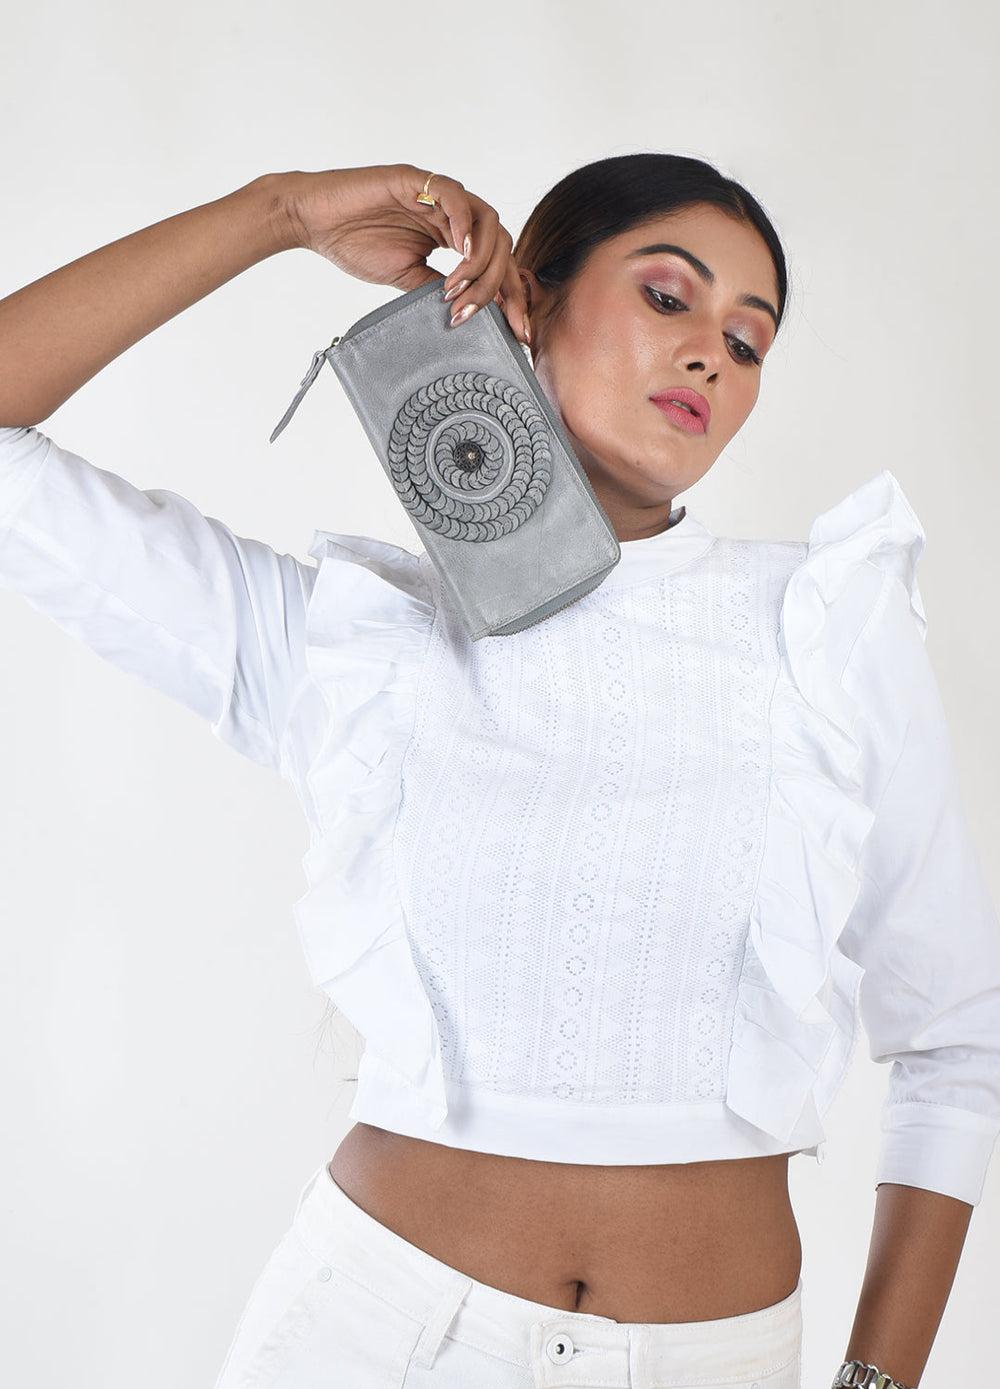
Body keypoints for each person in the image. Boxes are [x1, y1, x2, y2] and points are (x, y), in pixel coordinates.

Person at [1, 156, 997, 1389]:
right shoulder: (355, 646)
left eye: (748, 343)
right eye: (669, 297)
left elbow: (958, 1040)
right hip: (370, 1337)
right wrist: (281, 213)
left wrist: (876, 1382)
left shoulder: (826, 631)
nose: (710, 356)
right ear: (528, 298)